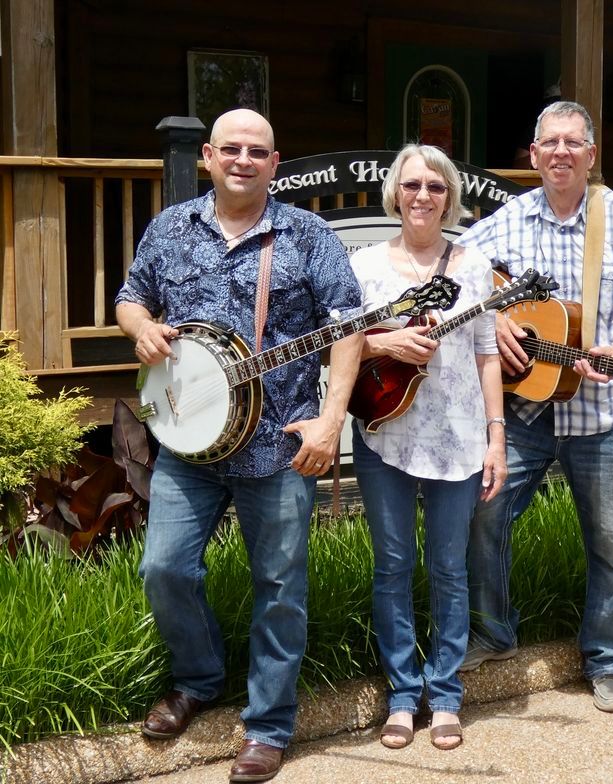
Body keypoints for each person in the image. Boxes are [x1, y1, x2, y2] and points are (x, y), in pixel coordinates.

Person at [116, 109, 363, 782]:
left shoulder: (307, 235)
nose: (244, 160)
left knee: (279, 586)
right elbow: (131, 298)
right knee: (162, 569)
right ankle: (197, 678)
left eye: (258, 151)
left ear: (275, 163)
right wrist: (139, 329)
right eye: (232, 149)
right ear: (207, 156)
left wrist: (330, 418)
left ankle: (269, 724)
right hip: (186, 440)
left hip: (279, 444)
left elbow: (347, 330)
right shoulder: (171, 228)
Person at [456, 101, 613, 712]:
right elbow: (456, 269)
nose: (560, 153)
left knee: (610, 541)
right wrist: (493, 316)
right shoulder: (510, 218)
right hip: (526, 412)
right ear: (532, 155)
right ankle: (492, 632)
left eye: (573, 143)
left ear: (591, 155)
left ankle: (605, 660)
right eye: (549, 142)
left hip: (605, 411)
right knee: (485, 511)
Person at [349, 144, 506, 750]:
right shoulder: (365, 266)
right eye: (412, 185)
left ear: (449, 197)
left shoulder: (473, 265)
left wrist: (497, 439)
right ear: (395, 193)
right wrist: (385, 345)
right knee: (392, 565)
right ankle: (400, 694)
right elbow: (347, 346)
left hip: (460, 435)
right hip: (385, 431)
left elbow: (488, 355)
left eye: (435, 187)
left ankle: (444, 694)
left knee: (448, 566)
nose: (422, 196)